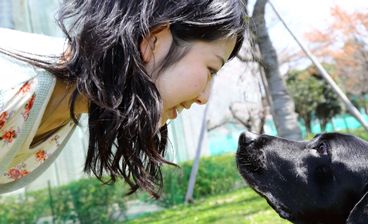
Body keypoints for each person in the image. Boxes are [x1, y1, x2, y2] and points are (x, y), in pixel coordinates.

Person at [0, 0, 247, 196]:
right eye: (211, 69)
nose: (204, 98)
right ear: (154, 40)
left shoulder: (65, 102)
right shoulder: (11, 85)